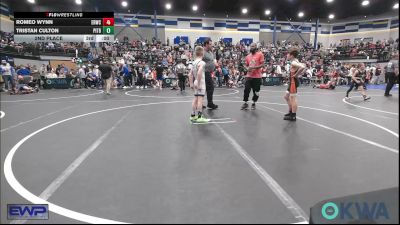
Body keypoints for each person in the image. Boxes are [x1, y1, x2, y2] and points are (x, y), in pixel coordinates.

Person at [284, 48, 306, 121]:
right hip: (292, 81)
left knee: (293, 98)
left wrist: (296, 75)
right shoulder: (294, 61)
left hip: (293, 81)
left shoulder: (293, 62)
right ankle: (291, 112)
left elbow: (303, 67)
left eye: (288, 54)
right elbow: (302, 65)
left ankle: (293, 116)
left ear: (292, 55)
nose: (287, 55)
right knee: (286, 96)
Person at [241, 43, 265, 110]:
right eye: (251, 46)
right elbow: (246, 65)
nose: (252, 47)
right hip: (249, 76)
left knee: (256, 92)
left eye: (253, 46)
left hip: (257, 77)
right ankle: (245, 103)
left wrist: (254, 67)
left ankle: (254, 103)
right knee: (246, 90)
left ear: (256, 47)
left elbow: (262, 64)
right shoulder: (248, 56)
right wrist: (246, 68)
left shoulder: (260, 54)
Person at [189, 46, 209, 123]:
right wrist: (198, 81)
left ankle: (193, 115)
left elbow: (190, 74)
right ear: (202, 53)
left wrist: (191, 83)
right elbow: (200, 71)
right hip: (200, 83)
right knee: (200, 99)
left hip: (195, 83)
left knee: (195, 99)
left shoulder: (193, 63)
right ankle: (200, 116)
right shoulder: (202, 63)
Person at [203, 39, 218, 110]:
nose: (211, 45)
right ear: (206, 44)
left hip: (209, 73)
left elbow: (212, 61)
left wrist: (216, 65)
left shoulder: (210, 52)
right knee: (209, 88)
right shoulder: (202, 52)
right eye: (210, 44)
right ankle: (209, 103)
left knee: (206, 88)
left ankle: (202, 103)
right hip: (204, 73)